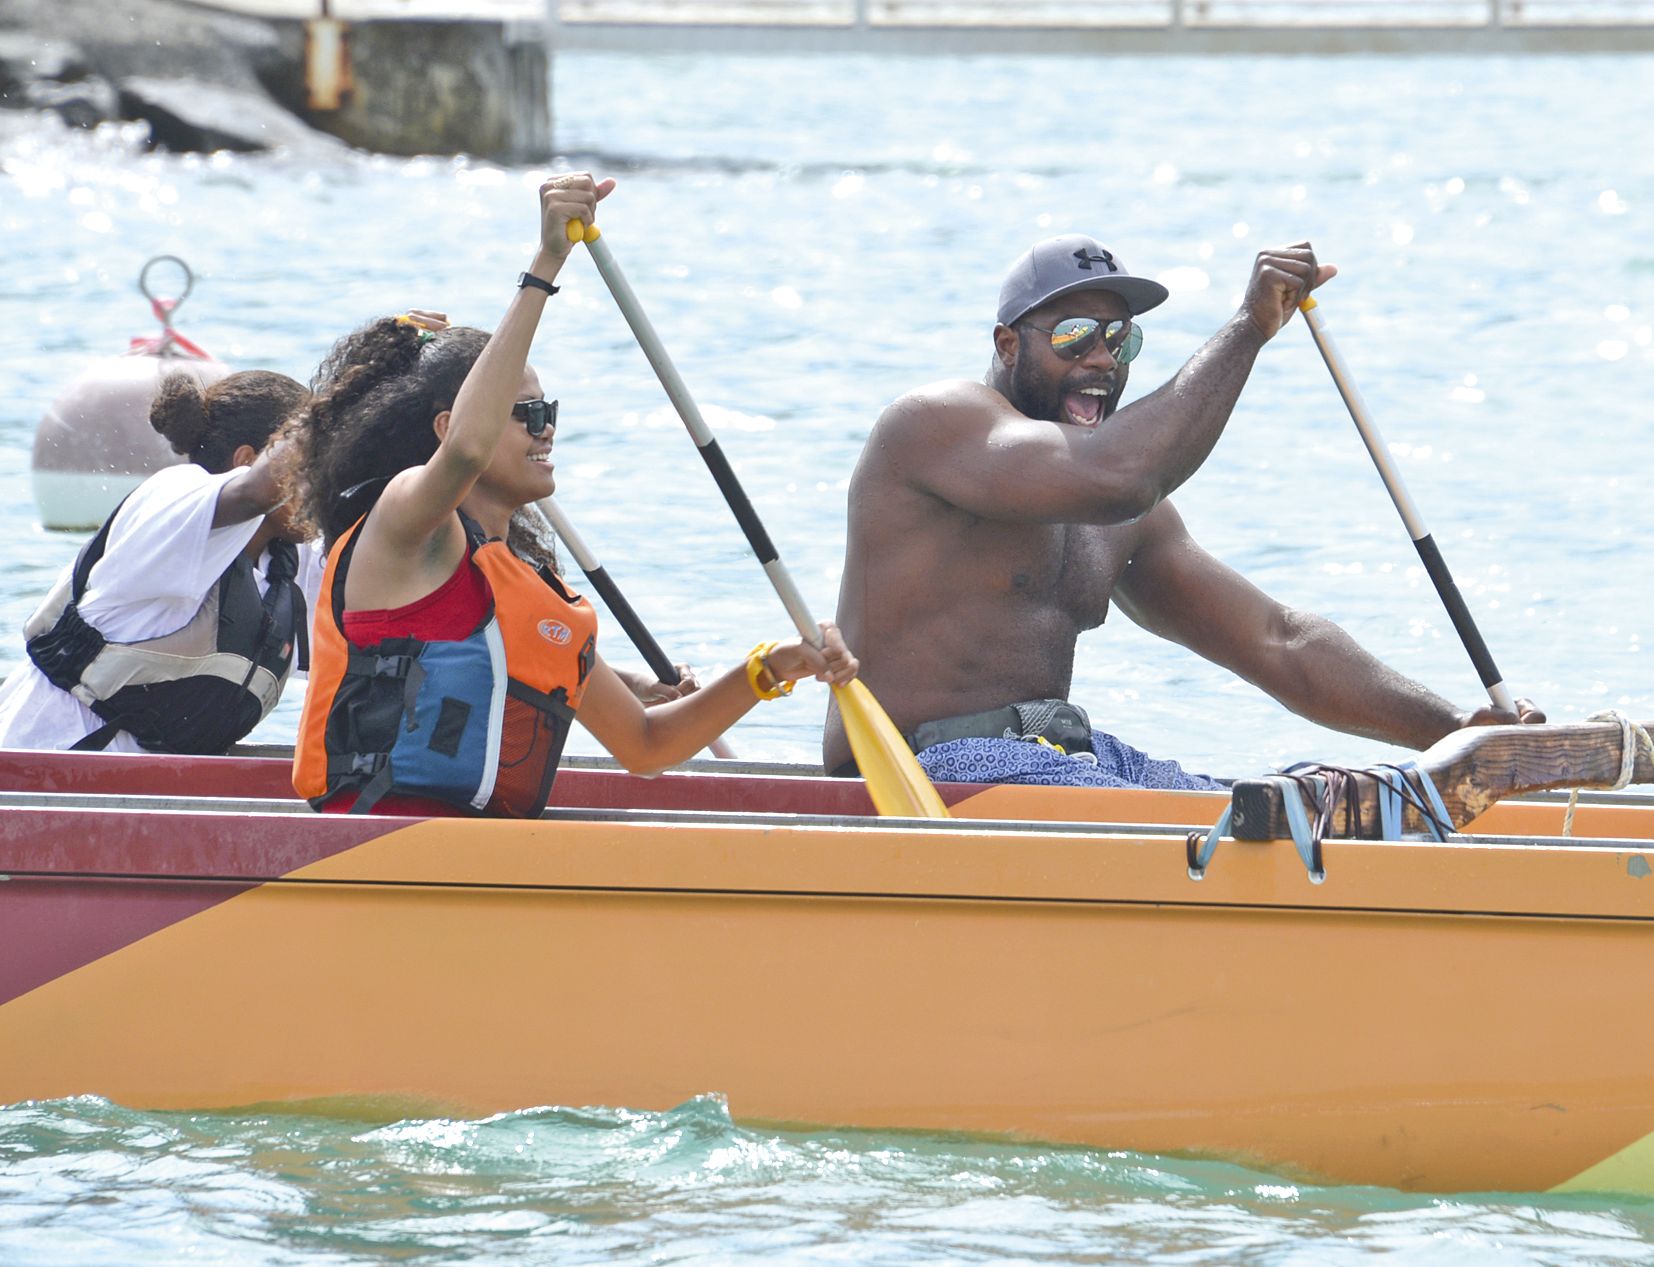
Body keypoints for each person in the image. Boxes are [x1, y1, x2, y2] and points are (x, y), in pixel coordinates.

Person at [824, 235, 1542, 787]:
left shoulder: (1118, 509)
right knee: (1245, 829)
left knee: (1293, 806)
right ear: (1009, 344)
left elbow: (1277, 642)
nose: (1103, 358)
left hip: (1059, 754)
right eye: (1076, 335)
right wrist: (1249, 330)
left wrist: (1454, 730)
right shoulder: (936, 427)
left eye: (1120, 337)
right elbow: (1123, 474)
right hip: (915, 776)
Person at [289, 173, 857, 817]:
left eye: (548, 410)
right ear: (449, 426)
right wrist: (547, 262)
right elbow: (469, 453)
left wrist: (776, 666)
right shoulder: (408, 526)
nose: (547, 428)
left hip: (476, 864)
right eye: (523, 413)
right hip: (371, 853)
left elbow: (647, 746)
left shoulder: (529, 590)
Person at [0, 369, 310, 753]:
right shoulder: (173, 499)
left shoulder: (286, 563)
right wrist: (347, 394)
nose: (327, 485)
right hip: (40, 766)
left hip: (145, 790)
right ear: (246, 461)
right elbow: (252, 494)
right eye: (314, 468)